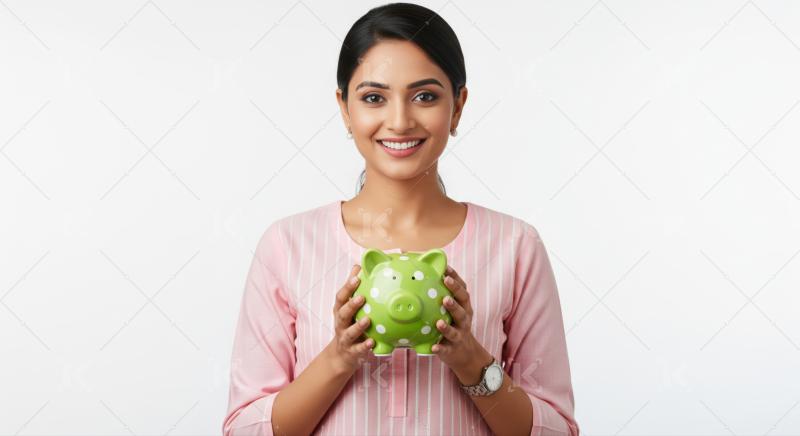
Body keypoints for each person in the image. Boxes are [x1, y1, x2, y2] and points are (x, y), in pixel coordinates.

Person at [223, 3, 579, 435]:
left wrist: (468, 357)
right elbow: (245, 429)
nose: (399, 121)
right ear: (344, 108)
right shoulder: (287, 244)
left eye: (425, 96)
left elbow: (556, 430)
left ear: (459, 106)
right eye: (374, 97)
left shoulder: (516, 245)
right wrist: (339, 357)